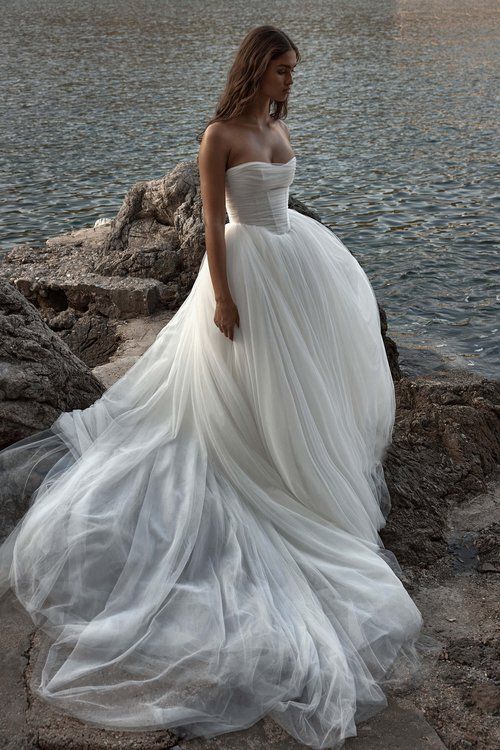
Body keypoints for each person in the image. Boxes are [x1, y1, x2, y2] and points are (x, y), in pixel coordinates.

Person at [0, 24, 442, 750]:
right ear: (257, 70)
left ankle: (290, 465)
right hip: (245, 273)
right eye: (282, 71)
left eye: (294, 71)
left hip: (296, 267)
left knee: (296, 389)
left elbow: (282, 201)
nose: (291, 82)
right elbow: (211, 222)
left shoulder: (275, 125)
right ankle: (256, 469)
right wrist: (224, 299)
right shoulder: (220, 135)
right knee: (240, 392)